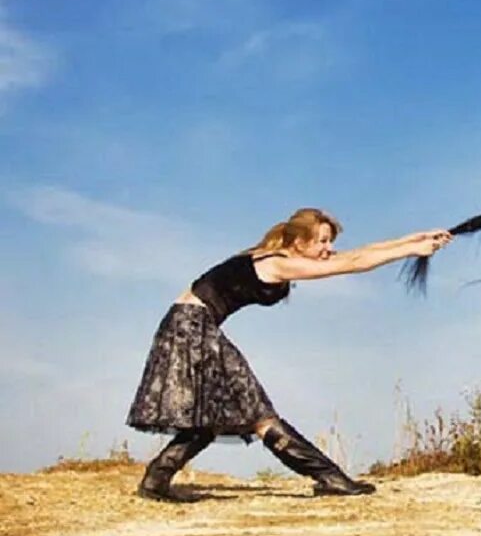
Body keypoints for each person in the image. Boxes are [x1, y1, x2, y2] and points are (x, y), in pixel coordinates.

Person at [126, 207, 451, 501]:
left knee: (218, 415)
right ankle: (330, 478)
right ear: (299, 242)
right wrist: (411, 249)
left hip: (190, 324)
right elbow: (352, 263)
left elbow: (356, 254)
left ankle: (156, 480)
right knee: (256, 412)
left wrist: (415, 239)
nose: (328, 249)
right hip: (191, 326)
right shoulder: (277, 262)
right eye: (322, 241)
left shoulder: (273, 256)